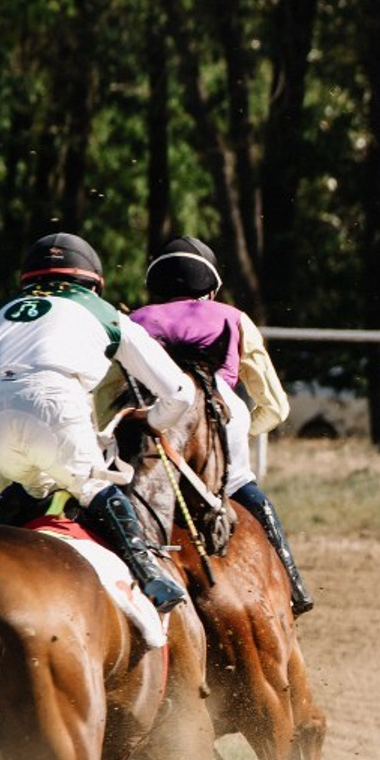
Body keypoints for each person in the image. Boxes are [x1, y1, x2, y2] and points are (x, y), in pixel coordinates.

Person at [0, 231, 195, 614]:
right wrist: (152, 420)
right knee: (91, 486)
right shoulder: (102, 312)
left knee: (33, 484)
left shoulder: (3, 312)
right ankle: (149, 574)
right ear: (92, 281)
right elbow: (180, 394)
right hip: (51, 406)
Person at [129, 235, 314, 616]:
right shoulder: (235, 319)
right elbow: (275, 406)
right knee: (249, 495)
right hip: (218, 422)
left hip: (149, 440)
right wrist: (234, 433)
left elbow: (104, 398)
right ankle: (293, 584)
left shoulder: (134, 322)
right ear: (211, 288)